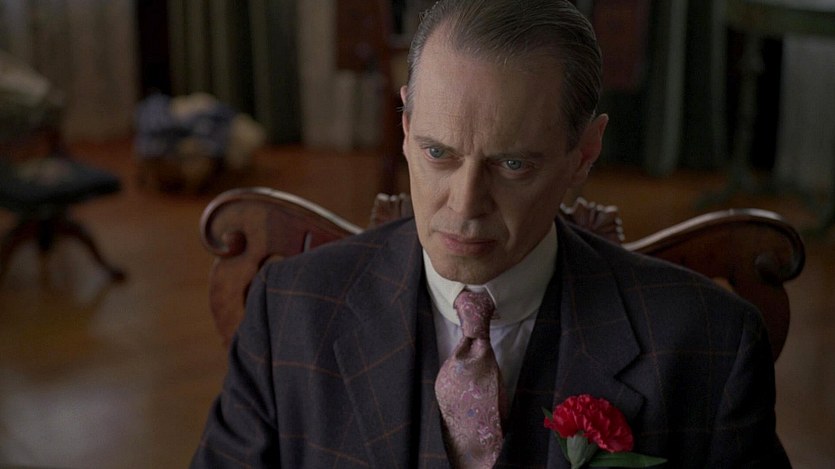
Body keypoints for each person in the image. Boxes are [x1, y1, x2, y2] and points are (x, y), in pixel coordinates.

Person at [191, 0, 790, 467]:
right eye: (438, 153)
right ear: (405, 127)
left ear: (584, 153)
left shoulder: (710, 343)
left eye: (513, 164)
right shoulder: (287, 312)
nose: (465, 204)